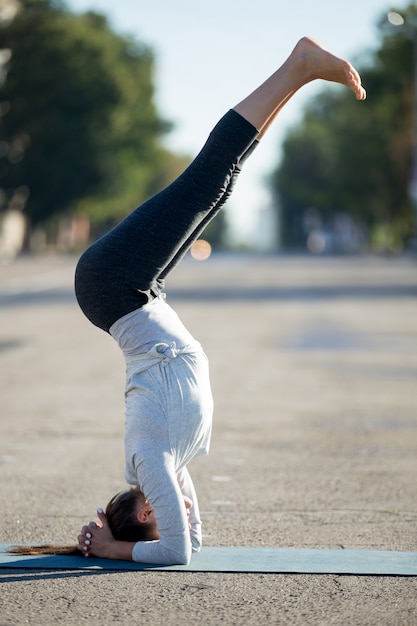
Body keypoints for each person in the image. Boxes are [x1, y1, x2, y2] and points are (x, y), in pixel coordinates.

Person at [74, 37, 366, 566]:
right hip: (132, 293)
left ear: (144, 516)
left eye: (163, 516)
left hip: (114, 284)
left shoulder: (152, 462)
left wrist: (114, 549)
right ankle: (297, 77)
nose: (180, 510)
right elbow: (196, 540)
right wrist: (126, 539)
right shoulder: (171, 465)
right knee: (221, 183)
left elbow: (177, 552)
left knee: (209, 173)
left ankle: (297, 66)